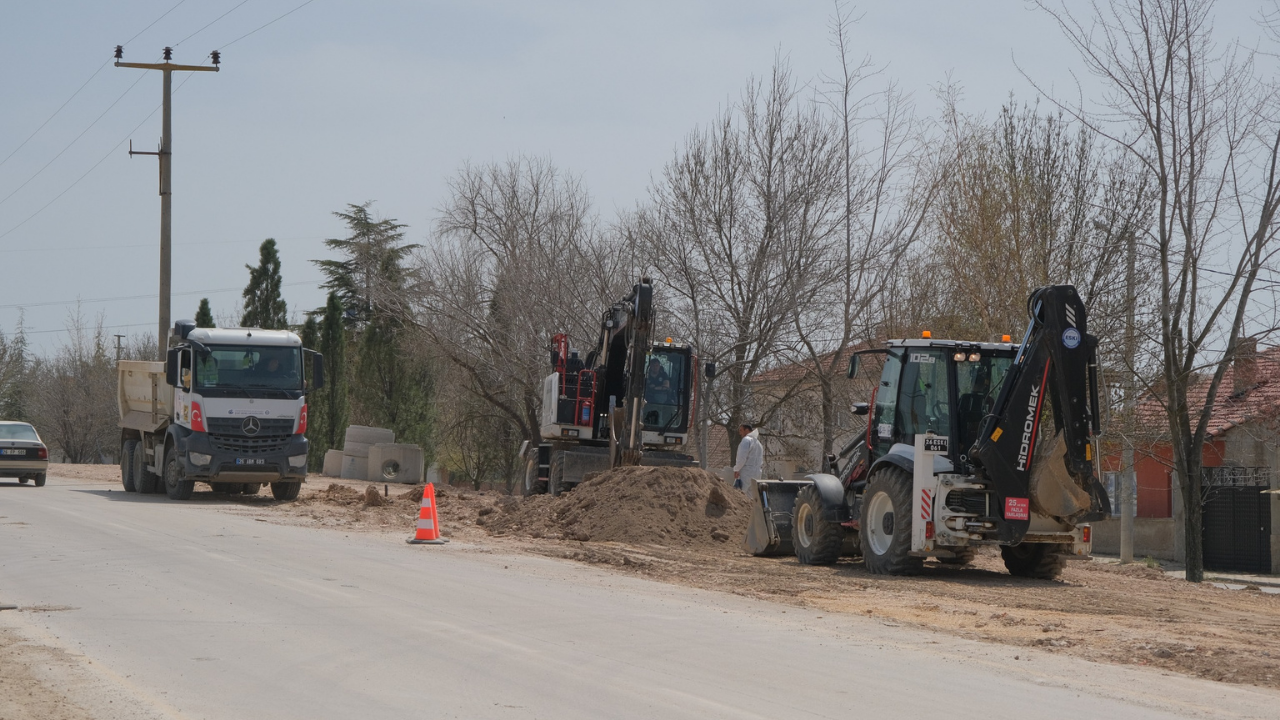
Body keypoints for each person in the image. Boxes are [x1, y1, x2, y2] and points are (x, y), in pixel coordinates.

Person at [733, 423, 764, 493]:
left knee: (741, 495)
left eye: (741, 430)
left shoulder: (746, 440)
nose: (740, 433)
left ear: (746, 430)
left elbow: (742, 458)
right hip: (757, 473)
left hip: (747, 472)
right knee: (752, 497)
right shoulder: (758, 443)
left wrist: (736, 469)